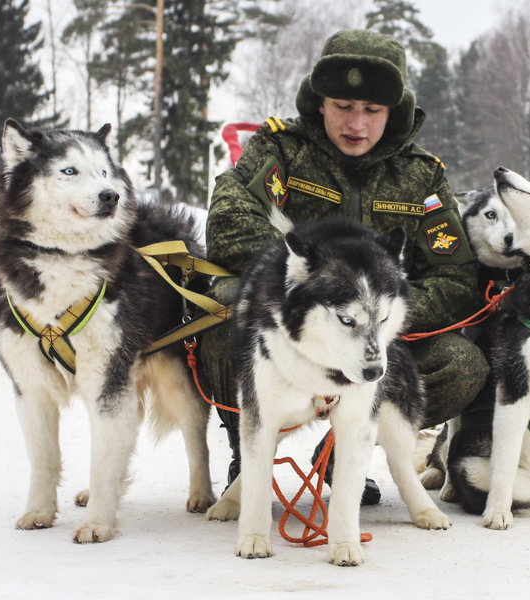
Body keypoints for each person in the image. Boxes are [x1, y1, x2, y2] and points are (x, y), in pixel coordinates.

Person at [200, 29, 489, 504]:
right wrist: (304, 290)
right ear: (319, 102)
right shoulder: (280, 150)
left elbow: (454, 278)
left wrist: (383, 310)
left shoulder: (422, 175)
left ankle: (344, 450)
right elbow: (229, 225)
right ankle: (251, 445)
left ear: (392, 112)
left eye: (372, 111)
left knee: (460, 364)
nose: (357, 123)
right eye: (343, 106)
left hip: (375, 341)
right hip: (289, 330)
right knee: (221, 328)